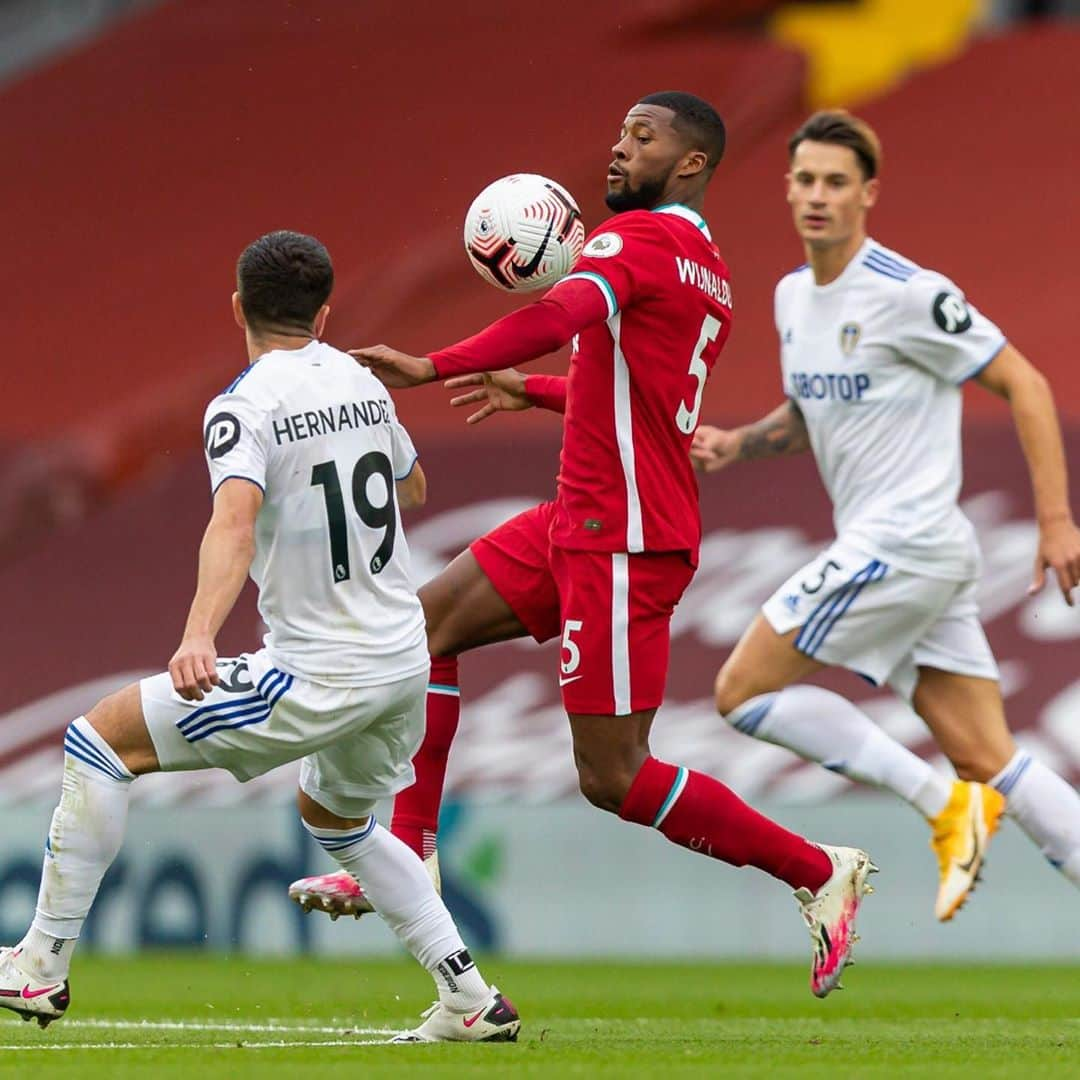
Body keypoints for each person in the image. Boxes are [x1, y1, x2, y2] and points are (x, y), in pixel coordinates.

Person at [291, 92, 877, 999]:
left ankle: (816, 870)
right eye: (618, 132)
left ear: (690, 162)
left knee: (613, 775)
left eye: (642, 137)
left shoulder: (634, 242)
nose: (617, 149)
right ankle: (408, 846)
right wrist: (535, 391)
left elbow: (559, 312)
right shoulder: (704, 263)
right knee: (424, 631)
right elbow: (632, 391)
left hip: (624, 539)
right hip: (584, 516)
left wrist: (430, 363)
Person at [0, 231, 520, 1044]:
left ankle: (38, 966)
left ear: (238, 306)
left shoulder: (245, 402)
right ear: (324, 310)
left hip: (319, 669)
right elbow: (412, 484)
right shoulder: (359, 378)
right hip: (403, 661)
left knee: (98, 742)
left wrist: (197, 634)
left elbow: (233, 523)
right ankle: (469, 998)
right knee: (338, 816)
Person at [690, 110, 1080, 920]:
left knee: (741, 691)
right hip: (907, 554)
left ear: (868, 194)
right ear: (787, 189)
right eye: (805, 180)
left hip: (906, 541)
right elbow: (807, 415)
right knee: (989, 755)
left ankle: (939, 804)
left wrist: (1055, 523)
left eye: (837, 182)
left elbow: (1027, 383)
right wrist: (740, 445)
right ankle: (961, 797)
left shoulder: (911, 294)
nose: (818, 197)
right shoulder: (794, 296)